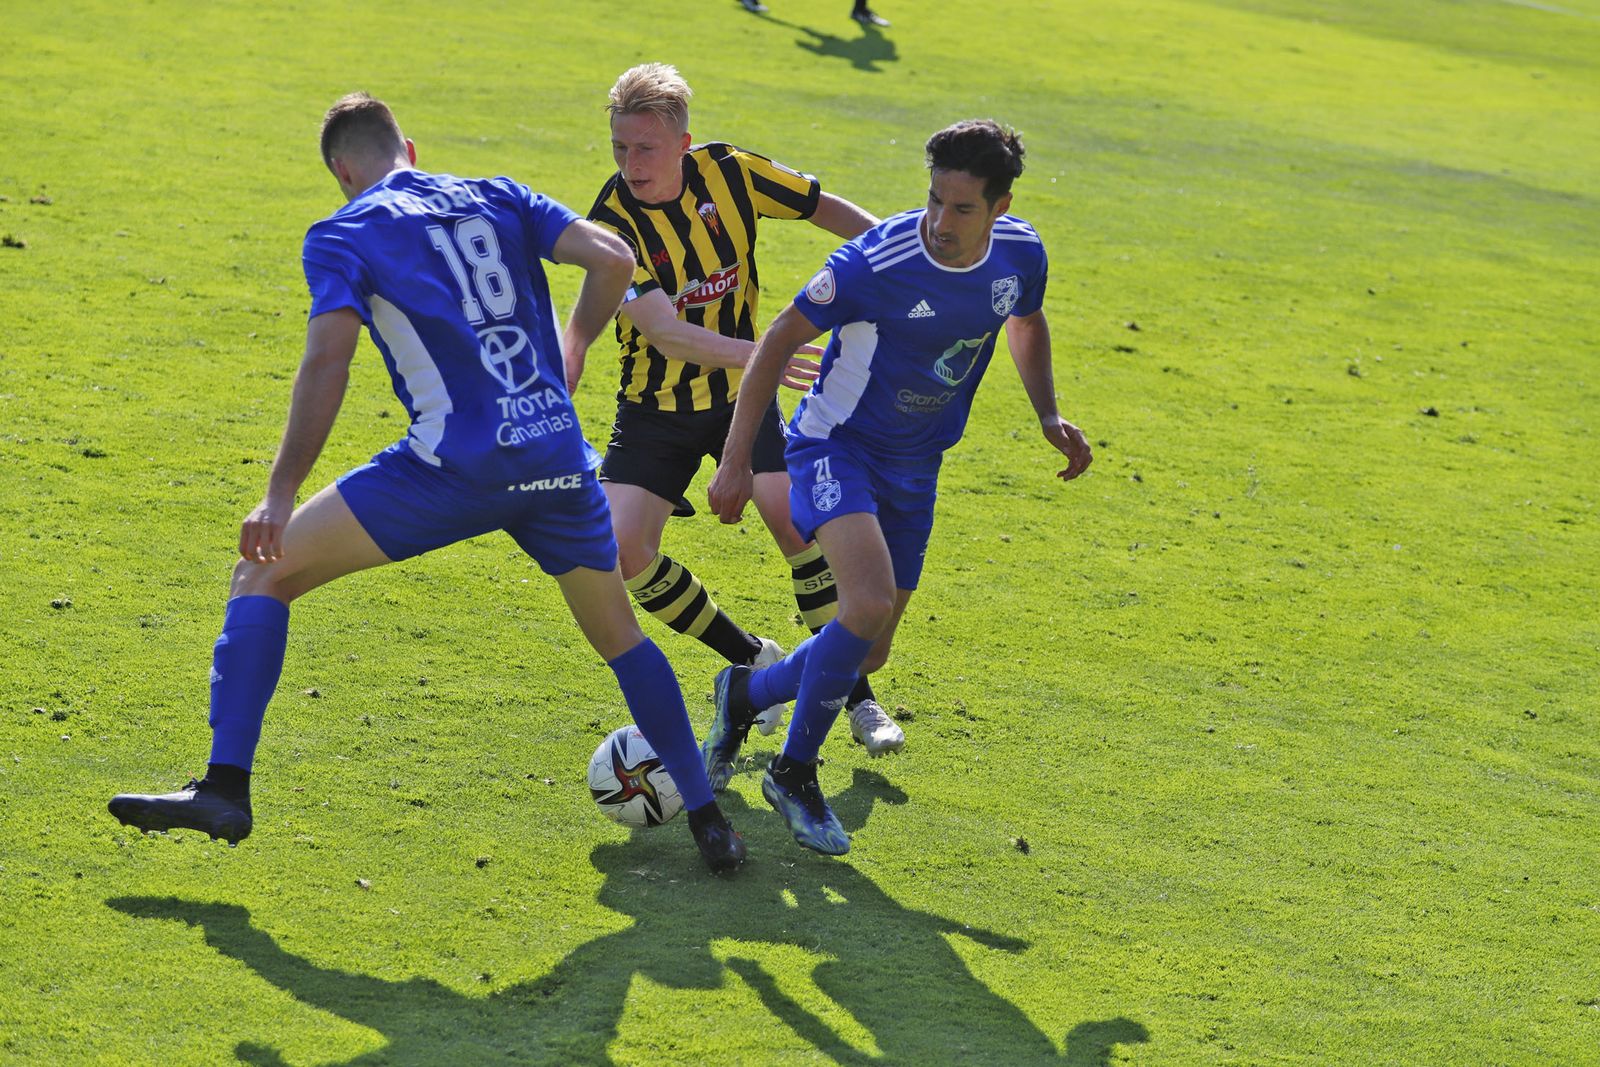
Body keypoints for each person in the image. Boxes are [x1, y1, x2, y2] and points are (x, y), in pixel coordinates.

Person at [108, 92, 746, 874]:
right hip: (554, 456)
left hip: (452, 469)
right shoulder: (499, 193)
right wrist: (574, 342)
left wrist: (278, 492)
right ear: (408, 148)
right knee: (621, 638)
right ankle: (710, 821)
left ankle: (224, 786)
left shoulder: (344, 231)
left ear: (343, 172)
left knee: (262, 574)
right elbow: (614, 256)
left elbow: (328, 361)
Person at [704, 120, 1094, 854]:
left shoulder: (1020, 252)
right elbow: (778, 340)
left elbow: (1025, 320)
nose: (941, 222)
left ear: (1000, 207)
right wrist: (734, 461)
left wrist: (1047, 413)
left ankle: (744, 694)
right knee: (867, 602)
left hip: (918, 464)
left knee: (868, 650)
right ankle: (793, 771)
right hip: (836, 445)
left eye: (963, 208)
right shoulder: (874, 263)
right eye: (934, 200)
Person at [563, 63, 904, 775]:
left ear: (683, 144)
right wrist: (769, 354)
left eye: (646, 148)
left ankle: (858, 699)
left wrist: (900, 267)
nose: (630, 164)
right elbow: (667, 333)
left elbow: (824, 208)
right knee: (623, 550)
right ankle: (750, 660)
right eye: (620, 147)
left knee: (792, 520)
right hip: (655, 407)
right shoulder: (612, 226)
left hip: (740, 398)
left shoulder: (732, 173)